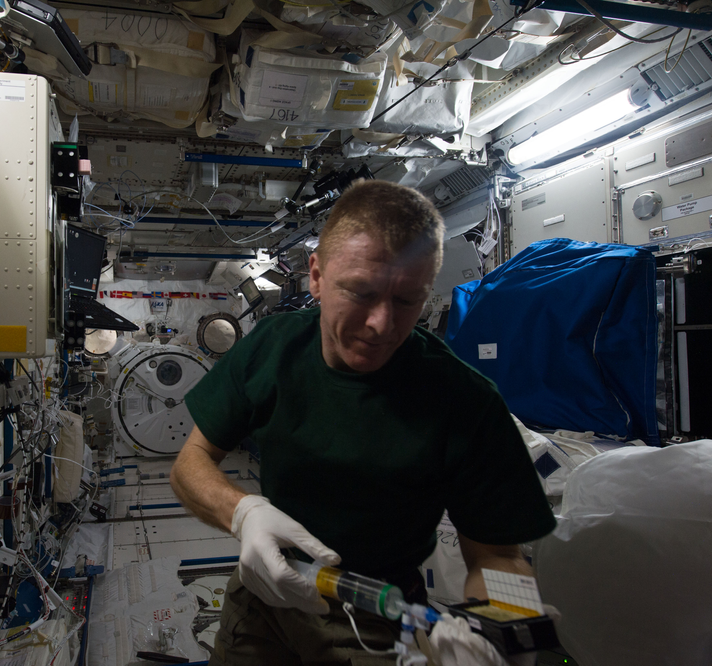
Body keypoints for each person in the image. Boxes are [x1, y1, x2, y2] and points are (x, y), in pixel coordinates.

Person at [169, 180, 556, 665]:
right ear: (316, 276)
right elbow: (192, 463)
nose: (381, 324)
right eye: (361, 291)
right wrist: (242, 514)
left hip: (375, 610)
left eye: (406, 300)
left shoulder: (465, 401)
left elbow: (498, 556)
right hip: (266, 589)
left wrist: (500, 629)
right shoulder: (273, 349)